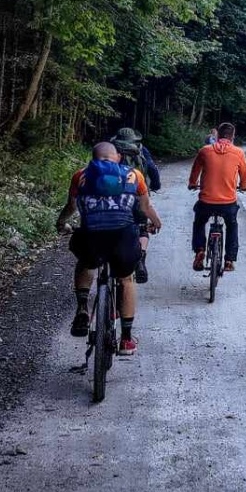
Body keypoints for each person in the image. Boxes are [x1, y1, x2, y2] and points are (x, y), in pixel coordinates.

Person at [56, 142, 161, 356]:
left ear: (92, 159)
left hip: (90, 237)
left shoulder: (80, 176)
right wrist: (156, 222)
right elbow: (144, 207)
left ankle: (83, 307)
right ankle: (126, 340)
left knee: (85, 262)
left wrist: (61, 222)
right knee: (126, 279)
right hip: (122, 237)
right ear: (118, 158)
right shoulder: (135, 175)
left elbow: (72, 206)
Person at [187, 121, 246, 273]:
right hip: (228, 203)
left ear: (217, 135)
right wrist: (244, 186)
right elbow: (244, 173)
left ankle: (200, 250)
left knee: (200, 222)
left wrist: (192, 183)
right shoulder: (239, 153)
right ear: (232, 136)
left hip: (206, 201)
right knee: (232, 225)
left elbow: (195, 170)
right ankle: (229, 259)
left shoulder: (205, 151)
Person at [111, 127, 161, 282]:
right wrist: (156, 185)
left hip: (112, 196)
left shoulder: (110, 149)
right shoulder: (140, 150)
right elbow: (152, 168)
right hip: (137, 194)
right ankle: (141, 258)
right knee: (142, 227)